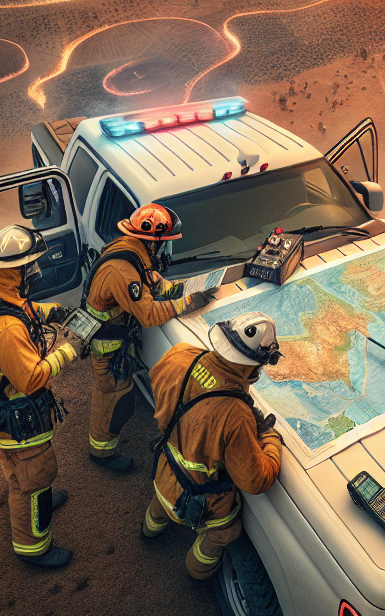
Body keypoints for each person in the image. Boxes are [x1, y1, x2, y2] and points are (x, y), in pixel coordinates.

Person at [140, 312, 284, 582]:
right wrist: (269, 437)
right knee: (225, 533)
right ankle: (197, 573)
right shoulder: (235, 416)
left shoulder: (180, 354)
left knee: (160, 504)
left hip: (164, 472)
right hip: (206, 500)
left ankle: (149, 529)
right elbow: (256, 480)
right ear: (251, 366)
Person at [0, 225, 80, 568]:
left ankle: (36, 492)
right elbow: (31, 378)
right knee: (33, 478)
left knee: (19, 472)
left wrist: (52, 312)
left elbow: (20, 308)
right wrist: (71, 350)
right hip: (18, 417)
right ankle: (34, 548)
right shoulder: (7, 330)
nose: (35, 272)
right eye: (28, 267)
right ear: (12, 273)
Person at [83, 203, 217, 471]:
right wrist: (185, 302)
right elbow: (148, 315)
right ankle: (101, 454)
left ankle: (102, 446)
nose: (163, 250)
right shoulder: (123, 271)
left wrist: (171, 288)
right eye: (163, 244)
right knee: (113, 398)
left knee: (117, 395)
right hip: (108, 345)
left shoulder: (130, 250)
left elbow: (146, 280)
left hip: (115, 339)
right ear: (151, 242)